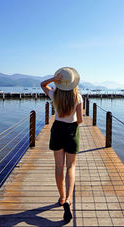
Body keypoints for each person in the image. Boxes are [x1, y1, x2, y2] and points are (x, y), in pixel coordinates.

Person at [40, 67, 83, 223]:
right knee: (71, 166)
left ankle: (62, 197)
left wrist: (53, 79)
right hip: (72, 130)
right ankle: (69, 199)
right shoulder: (78, 97)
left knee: (59, 166)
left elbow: (42, 85)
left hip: (57, 129)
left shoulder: (54, 94)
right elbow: (80, 120)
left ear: (60, 82)